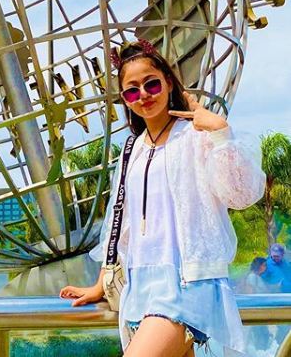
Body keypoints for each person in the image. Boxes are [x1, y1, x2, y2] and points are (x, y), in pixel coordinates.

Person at [59, 40, 265, 357]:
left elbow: (241, 194)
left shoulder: (196, 136)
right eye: (132, 91)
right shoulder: (132, 150)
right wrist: (101, 284)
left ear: (168, 82)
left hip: (189, 285)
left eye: (151, 84)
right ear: (124, 100)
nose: (143, 95)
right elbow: (121, 226)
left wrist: (220, 133)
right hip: (141, 287)